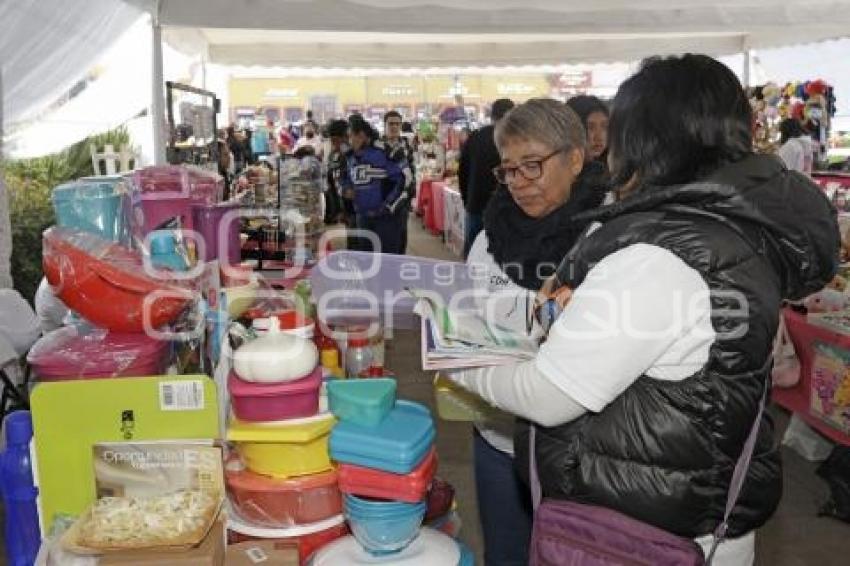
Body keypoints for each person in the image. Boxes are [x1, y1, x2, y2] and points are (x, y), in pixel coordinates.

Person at [449, 54, 840, 565]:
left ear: (640, 141)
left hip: (641, 532)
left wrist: (455, 356)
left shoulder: (656, 256)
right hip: (690, 511)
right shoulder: (728, 229)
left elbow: (547, 396)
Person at [465, 98, 606, 565]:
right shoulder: (492, 231)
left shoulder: (608, 234)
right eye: (508, 170)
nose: (520, 183)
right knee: (505, 554)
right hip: (497, 437)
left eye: (533, 166)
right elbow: (468, 302)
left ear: (575, 158)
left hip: (581, 454)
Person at [458, 98, 514, 259]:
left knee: (473, 250)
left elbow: (463, 171)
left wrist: (466, 200)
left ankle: (468, 280)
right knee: (500, 254)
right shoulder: (514, 139)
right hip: (505, 206)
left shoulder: (476, 137)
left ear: (492, 116)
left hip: (476, 203)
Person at [345, 117, 406, 254]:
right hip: (362, 218)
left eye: (351, 136)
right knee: (367, 262)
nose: (349, 141)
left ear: (361, 136)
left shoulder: (385, 152)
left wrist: (387, 206)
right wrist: (346, 189)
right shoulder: (350, 157)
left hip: (386, 219)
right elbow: (347, 179)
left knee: (387, 261)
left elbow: (403, 180)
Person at [383, 110, 416, 254]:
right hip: (382, 199)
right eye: (391, 124)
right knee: (384, 238)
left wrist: (409, 195)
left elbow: (411, 170)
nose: (394, 127)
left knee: (401, 236)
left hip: (402, 200)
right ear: (385, 125)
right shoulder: (377, 146)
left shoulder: (406, 145)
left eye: (397, 124)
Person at [324, 119, 350, 225]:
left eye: (334, 140)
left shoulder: (351, 154)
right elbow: (332, 183)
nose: (333, 143)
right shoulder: (334, 154)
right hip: (344, 205)